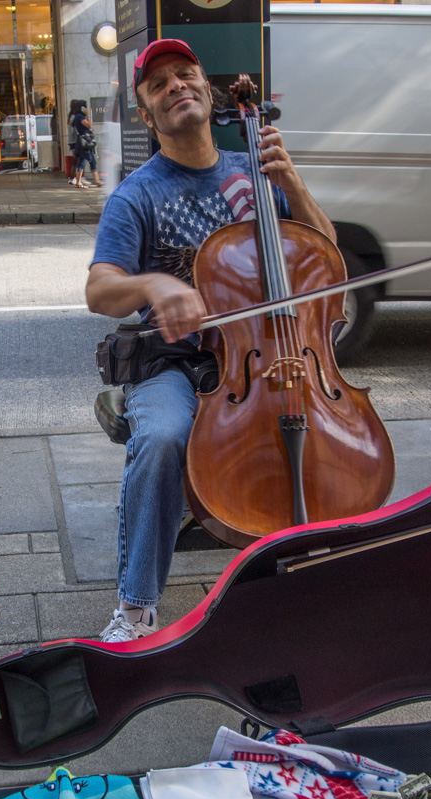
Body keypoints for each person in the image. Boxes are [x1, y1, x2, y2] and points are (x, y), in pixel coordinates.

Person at [84, 39, 335, 642]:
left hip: (268, 356)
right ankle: (136, 607)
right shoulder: (137, 195)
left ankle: (314, 575)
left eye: (185, 74)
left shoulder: (254, 176)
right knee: (167, 434)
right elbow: (100, 291)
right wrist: (153, 284)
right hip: (175, 358)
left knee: (324, 430)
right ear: (147, 114)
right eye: (159, 84)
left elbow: (326, 264)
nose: (176, 86)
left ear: (207, 89)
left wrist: (294, 185)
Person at [71, 102, 103, 188]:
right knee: (91, 161)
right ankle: (97, 180)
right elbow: (89, 125)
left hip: (84, 143)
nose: (87, 109)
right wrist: (88, 115)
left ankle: (79, 182)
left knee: (83, 162)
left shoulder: (79, 116)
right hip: (84, 142)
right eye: (85, 107)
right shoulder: (79, 117)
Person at [66, 98, 83, 185]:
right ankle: (74, 178)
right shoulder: (73, 117)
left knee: (75, 160)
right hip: (75, 141)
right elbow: (74, 130)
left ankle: (73, 178)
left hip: (72, 141)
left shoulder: (70, 116)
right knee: (76, 160)